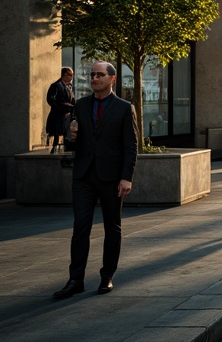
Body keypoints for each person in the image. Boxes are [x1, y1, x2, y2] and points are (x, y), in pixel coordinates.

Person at [53, 61, 138, 299]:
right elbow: (74, 143)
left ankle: (106, 276)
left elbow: (131, 146)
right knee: (80, 226)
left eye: (100, 75)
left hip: (112, 178)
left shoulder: (124, 107)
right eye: (92, 75)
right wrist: (71, 136)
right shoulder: (80, 105)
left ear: (112, 79)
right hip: (84, 176)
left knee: (113, 227)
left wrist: (126, 178)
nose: (94, 78)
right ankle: (75, 280)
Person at [46, 66, 75, 154]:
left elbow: (73, 100)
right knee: (57, 135)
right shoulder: (56, 85)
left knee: (67, 134)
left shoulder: (68, 87)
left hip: (67, 115)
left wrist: (73, 107)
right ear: (65, 75)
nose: (72, 77)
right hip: (58, 115)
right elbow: (51, 99)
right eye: (71, 75)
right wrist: (61, 107)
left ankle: (67, 149)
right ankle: (54, 149)